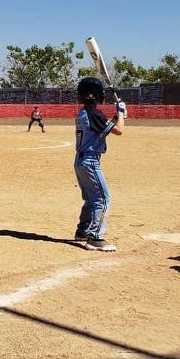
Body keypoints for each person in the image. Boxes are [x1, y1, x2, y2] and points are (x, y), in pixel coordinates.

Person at [73, 77, 126, 252]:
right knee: (102, 199)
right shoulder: (95, 114)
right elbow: (119, 131)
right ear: (96, 96)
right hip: (90, 161)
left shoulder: (83, 113)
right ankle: (95, 237)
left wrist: (116, 117)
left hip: (80, 161)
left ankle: (83, 230)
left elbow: (100, 130)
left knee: (90, 198)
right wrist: (122, 115)